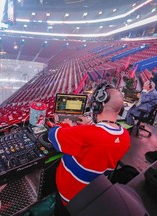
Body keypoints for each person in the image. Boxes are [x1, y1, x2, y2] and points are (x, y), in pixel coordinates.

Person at [48, 84, 130, 216]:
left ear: (98, 106)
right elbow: (102, 139)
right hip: (93, 192)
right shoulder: (125, 135)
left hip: (69, 196)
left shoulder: (87, 134)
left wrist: (66, 125)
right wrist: (91, 125)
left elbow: (54, 135)